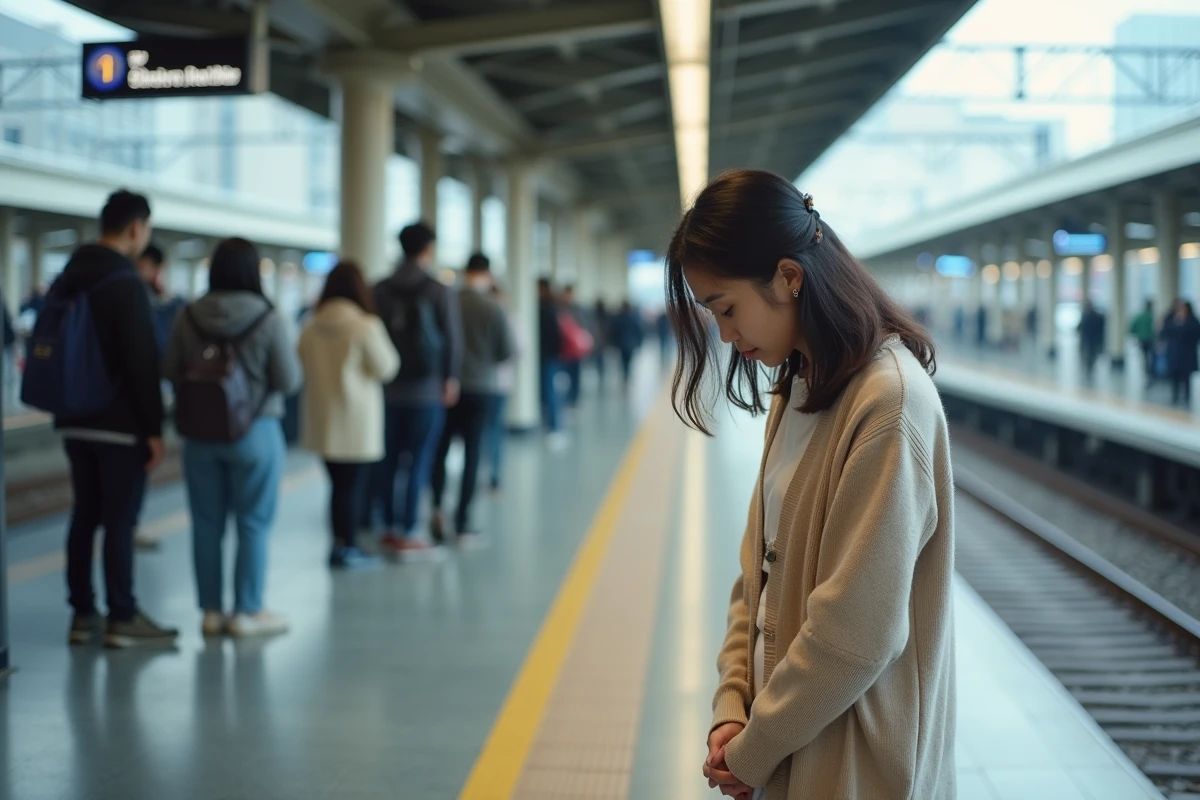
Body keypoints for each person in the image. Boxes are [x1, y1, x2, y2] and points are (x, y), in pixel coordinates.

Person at [666, 171, 954, 800]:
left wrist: (755, 748)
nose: (724, 334)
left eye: (727, 308)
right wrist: (731, 707)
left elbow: (858, 633)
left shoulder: (888, 405)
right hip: (787, 745)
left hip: (853, 765)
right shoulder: (798, 385)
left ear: (789, 277)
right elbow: (755, 578)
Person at [54, 190, 177, 648]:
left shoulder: (69, 276)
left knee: (84, 514)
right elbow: (141, 361)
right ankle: (123, 615)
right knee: (120, 520)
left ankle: (83, 614)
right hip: (119, 422)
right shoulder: (126, 282)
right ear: (135, 228)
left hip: (72, 415)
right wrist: (153, 429)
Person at [162, 237, 302, 637]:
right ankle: (247, 611)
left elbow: (169, 369)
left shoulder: (188, 315)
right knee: (253, 523)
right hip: (255, 432)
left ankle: (210, 612)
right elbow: (289, 379)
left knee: (206, 524)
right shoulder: (269, 318)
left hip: (199, 434)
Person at [370, 222, 463, 560]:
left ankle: (388, 528)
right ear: (428, 250)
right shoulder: (439, 290)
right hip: (426, 390)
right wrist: (450, 380)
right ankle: (410, 530)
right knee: (420, 460)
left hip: (387, 390)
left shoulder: (380, 289)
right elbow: (452, 339)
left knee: (388, 460)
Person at [297, 261, 399, 568]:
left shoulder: (311, 326)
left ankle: (340, 544)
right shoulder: (366, 326)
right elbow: (387, 367)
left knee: (337, 486)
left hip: (322, 420)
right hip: (356, 421)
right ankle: (349, 547)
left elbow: (299, 359)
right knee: (352, 488)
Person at [430, 254, 514, 544]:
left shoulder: (447, 301)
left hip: (445, 388)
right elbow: (506, 351)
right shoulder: (493, 307)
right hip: (482, 388)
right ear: (487, 274)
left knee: (439, 450)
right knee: (472, 453)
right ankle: (463, 522)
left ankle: (437, 506)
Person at [132, 242, 187, 550]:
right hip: (134, 404)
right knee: (135, 472)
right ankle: (127, 526)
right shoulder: (141, 298)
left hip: (86, 407)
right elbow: (161, 354)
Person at [485, 284, 522, 493]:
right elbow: (518, 350)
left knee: (483, 430)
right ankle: (494, 474)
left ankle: (487, 471)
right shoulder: (511, 318)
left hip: (477, 383)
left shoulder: (481, 314)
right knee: (494, 429)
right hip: (499, 383)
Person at [538, 278, 566, 447]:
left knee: (549, 390)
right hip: (550, 354)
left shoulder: (545, 309)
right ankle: (551, 425)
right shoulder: (553, 307)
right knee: (549, 390)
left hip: (547, 355)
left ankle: (555, 426)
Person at [1161, 299, 1200, 408]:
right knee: (1174, 375)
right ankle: (1175, 396)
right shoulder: (1171, 319)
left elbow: (1196, 334)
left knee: (1187, 376)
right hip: (1174, 352)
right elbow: (1165, 332)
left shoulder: (1192, 320)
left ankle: (1187, 396)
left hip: (1187, 353)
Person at [609, 300, 644, 388]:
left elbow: (614, 332)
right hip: (631, 344)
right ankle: (627, 377)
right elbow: (639, 331)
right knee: (629, 362)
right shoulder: (633, 318)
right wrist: (639, 343)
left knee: (623, 362)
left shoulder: (618, 318)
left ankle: (624, 378)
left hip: (621, 344)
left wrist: (614, 343)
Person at [1129, 300, 1158, 385]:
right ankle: (1150, 373)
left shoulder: (1139, 316)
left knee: (1145, 357)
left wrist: (1137, 335)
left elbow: (1132, 327)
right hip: (1150, 340)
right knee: (1151, 357)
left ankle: (1147, 372)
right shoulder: (1151, 316)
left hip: (1141, 340)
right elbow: (1156, 329)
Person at [1077, 298, 1105, 382]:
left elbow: (1079, 328)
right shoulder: (1095, 316)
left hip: (1089, 340)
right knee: (1091, 355)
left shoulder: (1086, 316)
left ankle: (1089, 368)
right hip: (1091, 340)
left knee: (1089, 355)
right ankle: (1089, 368)